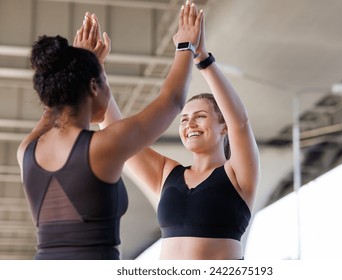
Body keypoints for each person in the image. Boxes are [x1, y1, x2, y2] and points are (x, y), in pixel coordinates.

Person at [16, 2, 203, 260]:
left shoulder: (27, 150)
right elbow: (171, 101)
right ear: (94, 86)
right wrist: (186, 45)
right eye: (104, 80)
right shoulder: (101, 148)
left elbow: (54, 106)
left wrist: (82, 66)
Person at [101, 4, 260, 259]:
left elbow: (240, 121)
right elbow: (115, 137)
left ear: (223, 127)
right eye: (184, 119)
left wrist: (202, 58)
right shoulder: (167, 174)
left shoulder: (238, 175)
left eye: (200, 117)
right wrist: (96, 74)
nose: (189, 125)